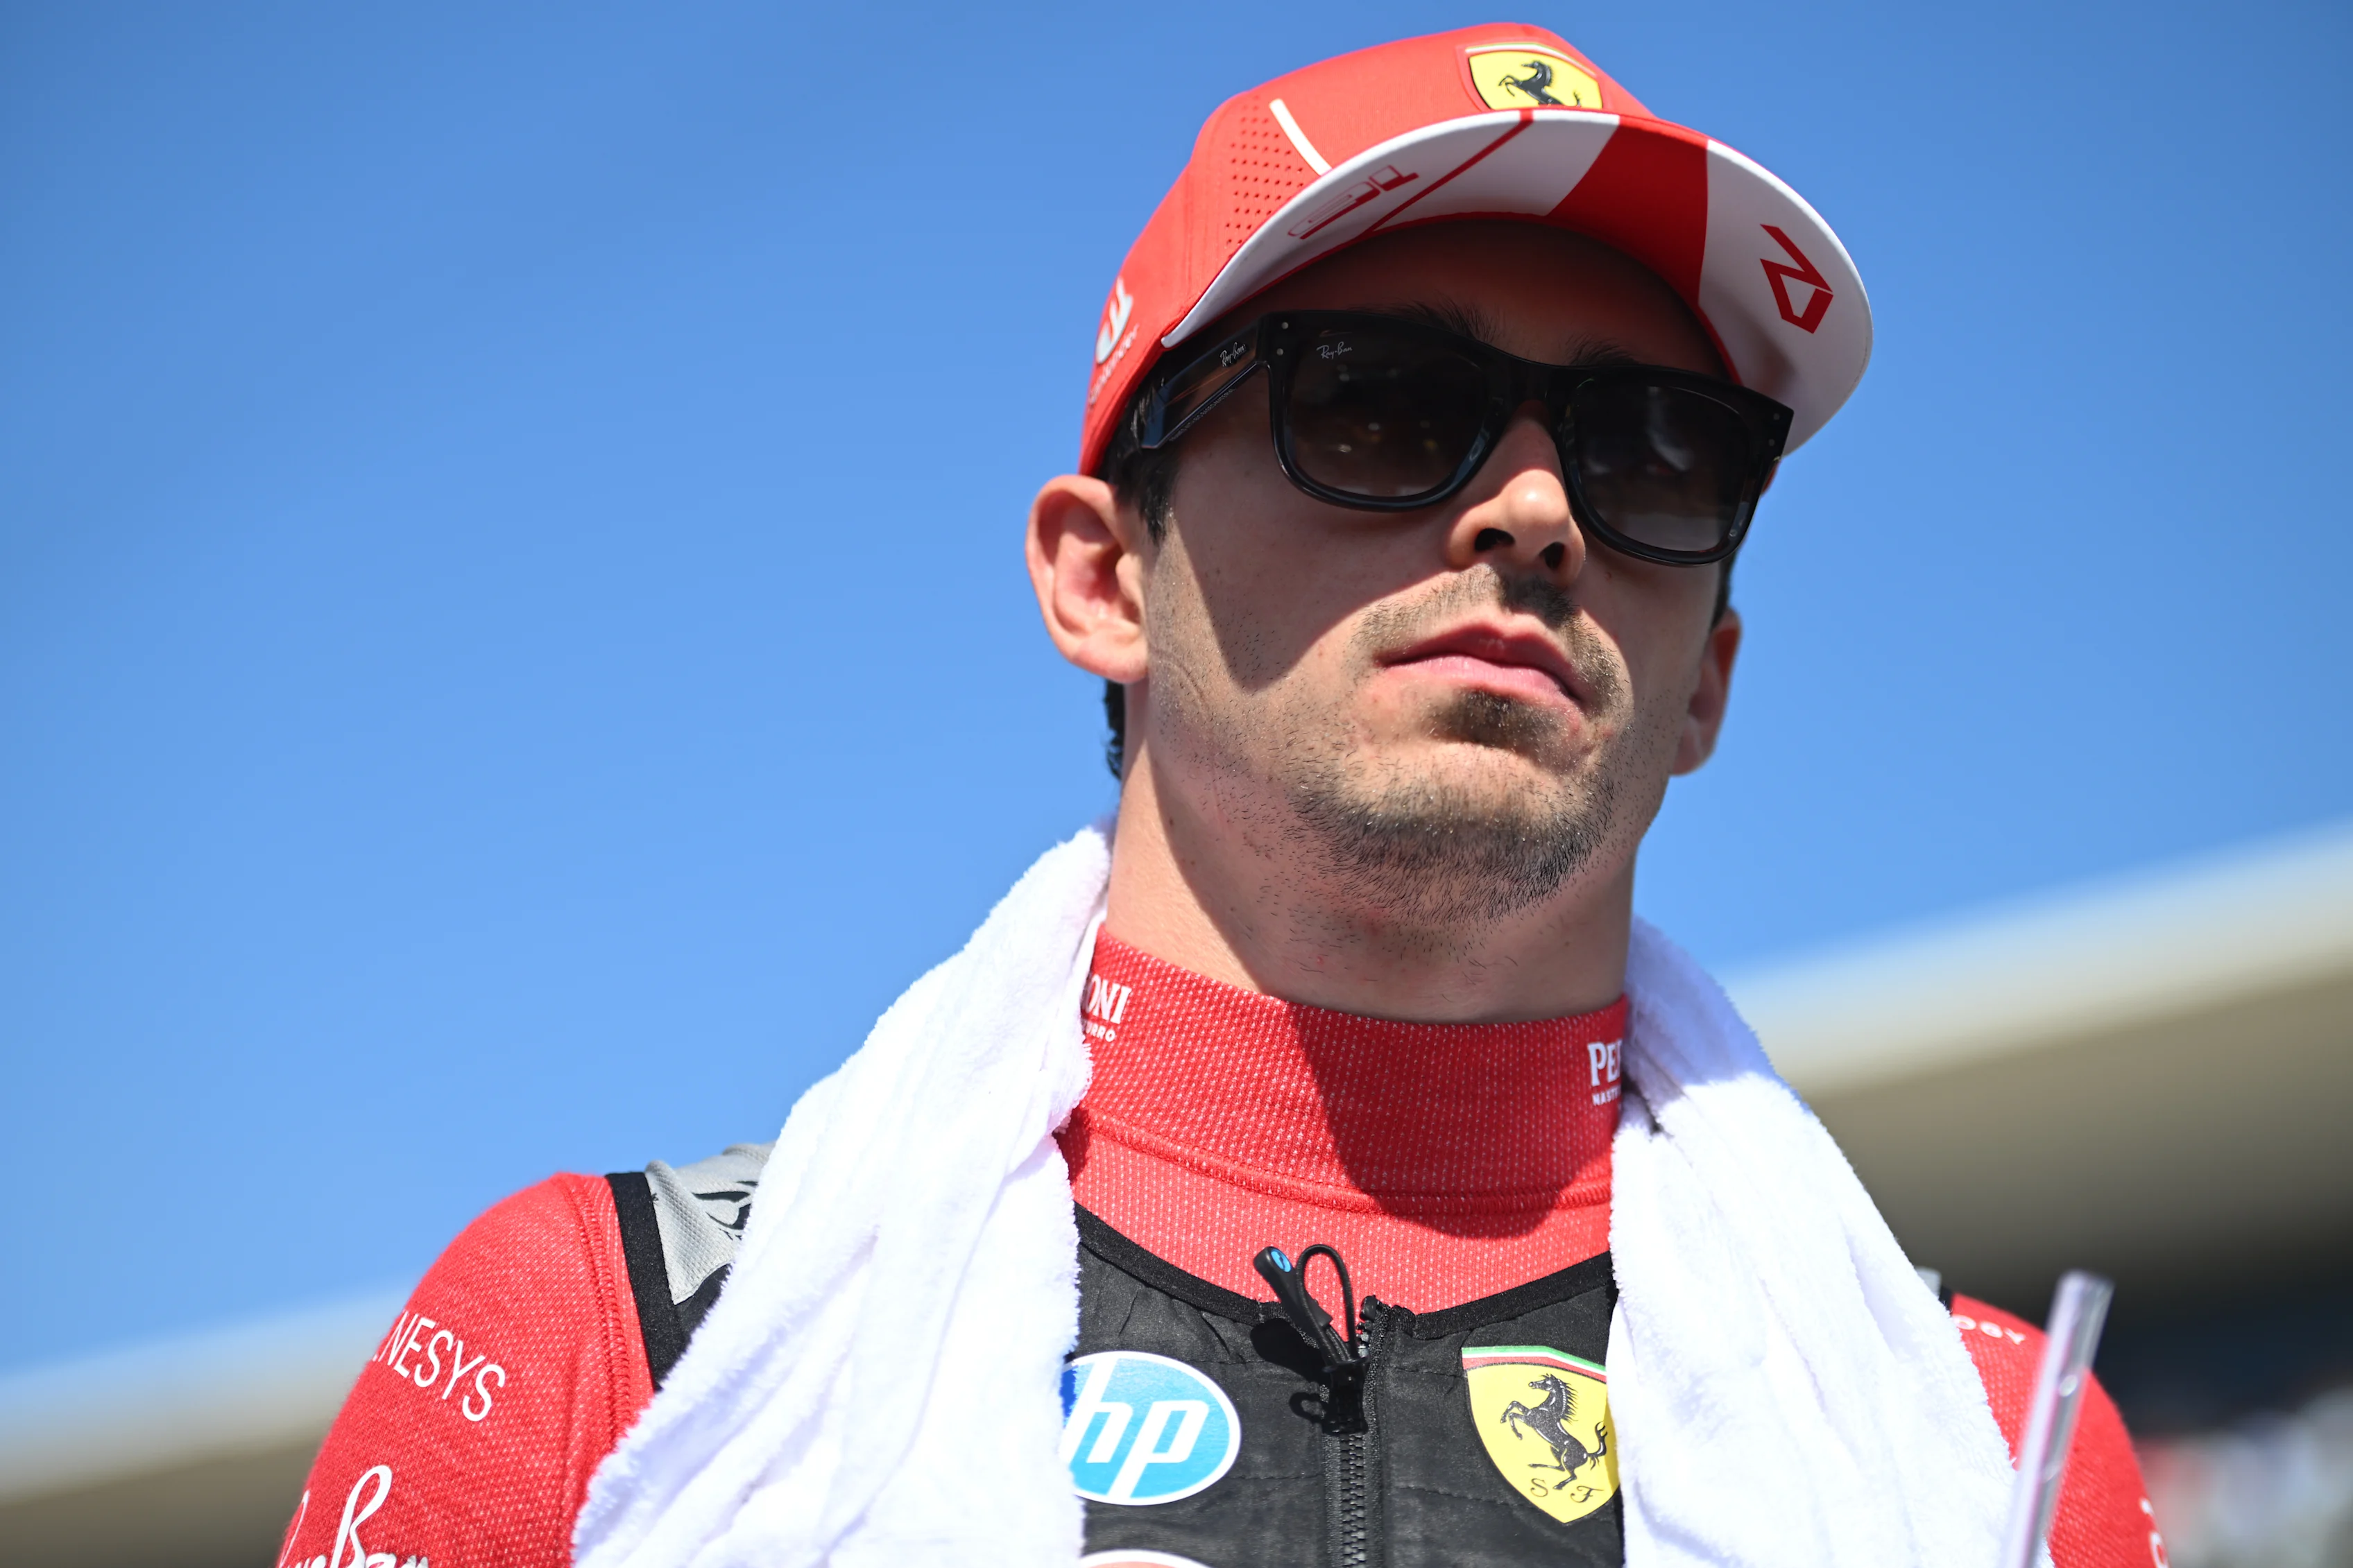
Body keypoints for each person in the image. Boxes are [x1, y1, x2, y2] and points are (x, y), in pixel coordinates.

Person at [280, 25, 2166, 1568]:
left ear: (1711, 683)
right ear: (1105, 577)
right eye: (1381, 402)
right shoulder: (609, 1344)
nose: (1536, 510)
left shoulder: (1993, 1455)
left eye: (1659, 450)